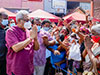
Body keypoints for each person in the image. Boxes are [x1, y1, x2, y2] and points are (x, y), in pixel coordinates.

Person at [5, 10, 39, 75]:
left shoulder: (28, 32)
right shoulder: (11, 31)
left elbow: (36, 48)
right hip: (16, 69)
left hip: (29, 69)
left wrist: (35, 38)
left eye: (29, 20)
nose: (29, 22)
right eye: (27, 20)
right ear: (19, 20)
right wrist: (30, 38)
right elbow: (15, 48)